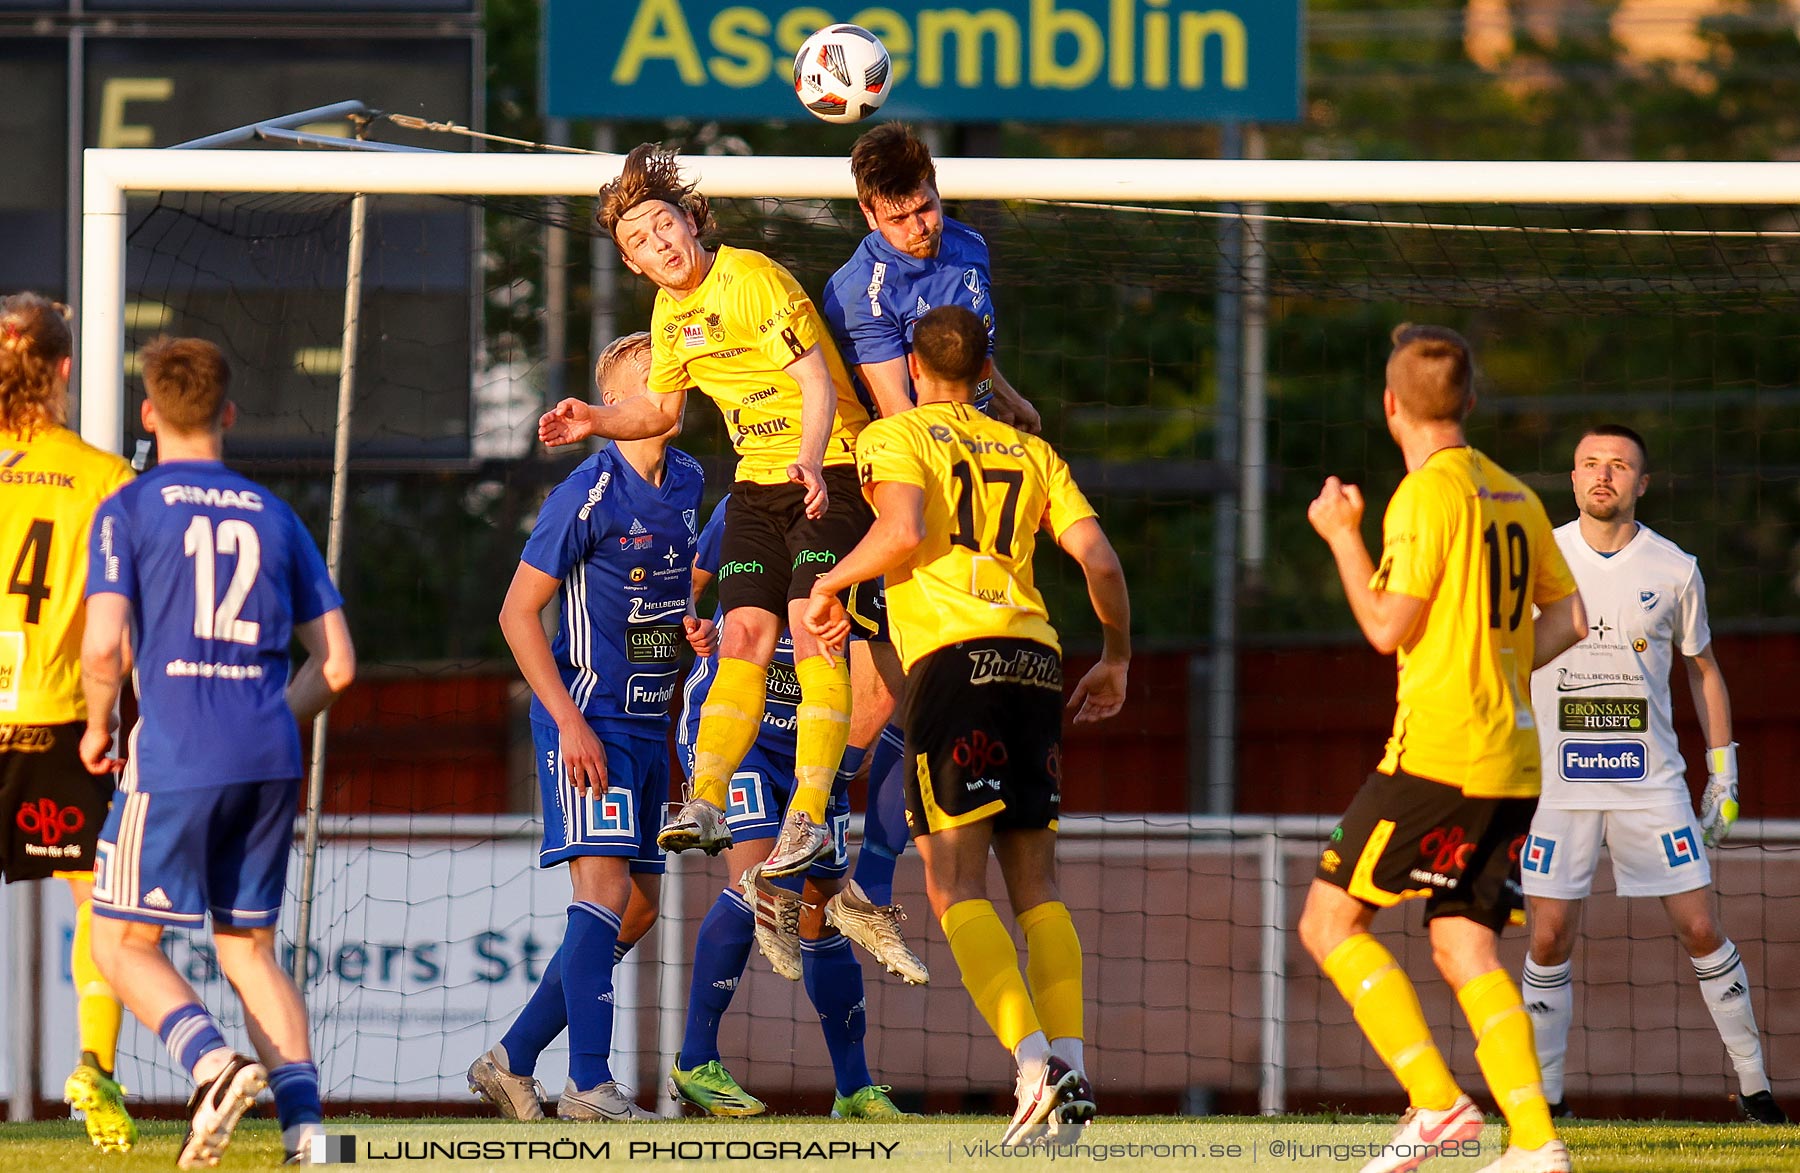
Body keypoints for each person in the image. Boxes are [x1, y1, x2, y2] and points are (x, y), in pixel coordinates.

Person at [803, 305, 1131, 1147]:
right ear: (987, 372)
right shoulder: (1032, 450)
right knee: (1038, 886)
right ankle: (1071, 1062)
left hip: (955, 664)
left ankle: (1032, 1067)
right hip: (1034, 662)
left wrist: (830, 583)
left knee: (953, 887)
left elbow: (903, 530)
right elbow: (1098, 559)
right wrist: (1117, 659)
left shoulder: (897, 435)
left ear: (913, 364)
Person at [1296, 324, 1588, 1173]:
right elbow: (1569, 617)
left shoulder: (1423, 496)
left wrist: (1343, 534)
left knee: (1328, 920)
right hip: (1513, 762)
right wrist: (1496, 655)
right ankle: (1536, 1143)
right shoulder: (1516, 493)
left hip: (1439, 755)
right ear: (1470, 401)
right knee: (1464, 945)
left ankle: (1435, 1102)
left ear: (1391, 406)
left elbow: (1388, 627)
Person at [540, 143, 872, 879]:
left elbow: (815, 380)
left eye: (662, 226)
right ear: (631, 263)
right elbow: (660, 413)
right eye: (638, 241)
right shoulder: (667, 315)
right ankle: (708, 801)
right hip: (758, 484)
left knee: (813, 624)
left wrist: (813, 457)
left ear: (690, 222)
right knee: (743, 632)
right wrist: (595, 418)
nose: (657, 245)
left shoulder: (749, 277)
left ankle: (811, 815)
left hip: (834, 468)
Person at [80, 336, 356, 1168]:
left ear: (149, 413)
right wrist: (272, 715)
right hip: (271, 754)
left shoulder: (128, 507)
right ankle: (313, 1139)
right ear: (228, 413)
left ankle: (213, 1064)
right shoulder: (275, 514)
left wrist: (98, 725)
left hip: (178, 751)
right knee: (247, 949)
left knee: (117, 939)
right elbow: (338, 664)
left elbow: (102, 648)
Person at [469, 332, 711, 1122]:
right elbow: (513, 611)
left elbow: (665, 599)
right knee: (603, 889)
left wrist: (694, 627)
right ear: (619, 400)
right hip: (590, 718)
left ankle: (509, 1059)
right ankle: (588, 1085)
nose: (675, 384)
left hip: (648, 724)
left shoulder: (690, 479)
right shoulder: (587, 490)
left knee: (638, 907)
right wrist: (570, 722)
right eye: (657, 374)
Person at [1519, 424, 1788, 1125]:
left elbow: (1705, 673)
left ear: (1644, 482)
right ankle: (1546, 1103)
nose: (1601, 474)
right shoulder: (1540, 558)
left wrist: (1722, 776)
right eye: (1588, 463)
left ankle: (1757, 1092)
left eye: (1619, 465)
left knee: (1701, 925)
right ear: (1573, 477)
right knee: (1546, 937)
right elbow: (1502, 660)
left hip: (1652, 784)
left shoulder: (1674, 567)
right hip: (1559, 783)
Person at [661, 494, 911, 1120]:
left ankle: (854, 1088)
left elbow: (891, 696)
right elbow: (692, 574)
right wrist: (693, 620)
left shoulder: (884, 529)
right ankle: (694, 1061)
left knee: (821, 911)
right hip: (740, 730)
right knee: (759, 879)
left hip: (813, 741)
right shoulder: (751, 502)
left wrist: (842, 789)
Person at [0, 293, 136, 1152]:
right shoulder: (103, 475)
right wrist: (108, 719)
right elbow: (113, 624)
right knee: (103, 896)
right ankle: (93, 1062)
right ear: (62, 370)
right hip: (54, 720)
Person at [821, 122, 1040, 432]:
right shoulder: (860, 293)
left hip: (969, 432)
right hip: (907, 454)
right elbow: (898, 415)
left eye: (925, 208)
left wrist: (1008, 401)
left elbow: (962, 354)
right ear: (869, 215)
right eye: (897, 218)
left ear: (937, 191)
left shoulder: (968, 242)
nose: (918, 228)